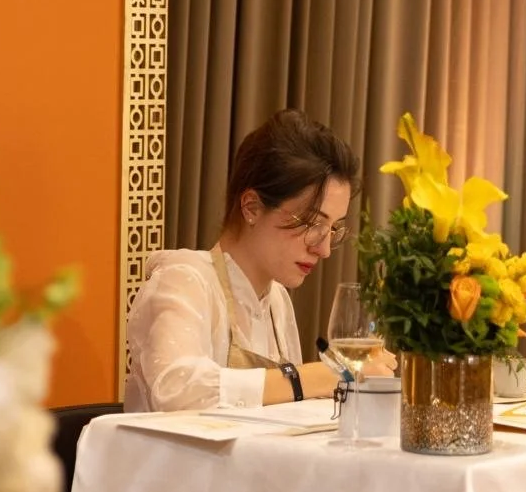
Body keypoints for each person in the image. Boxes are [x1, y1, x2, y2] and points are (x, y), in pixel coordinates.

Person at [124, 108, 395, 412]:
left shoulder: (277, 300)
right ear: (251, 206)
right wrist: (318, 376)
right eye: (311, 224)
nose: (325, 250)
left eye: (333, 229)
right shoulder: (184, 279)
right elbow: (176, 388)